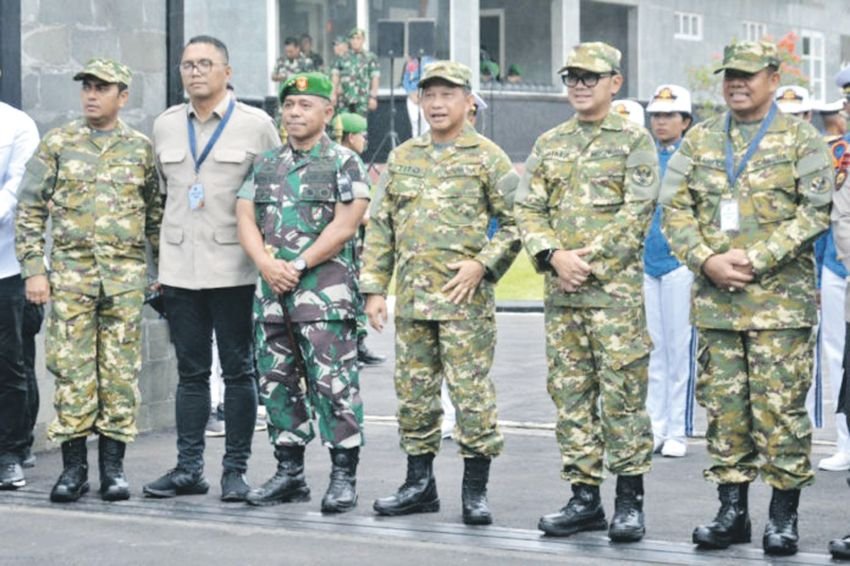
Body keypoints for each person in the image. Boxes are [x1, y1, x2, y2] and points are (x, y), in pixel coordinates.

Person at [661, 40, 833, 556]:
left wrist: (758, 258)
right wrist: (706, 259)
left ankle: (783, 517)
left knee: (780, 414)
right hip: (717, 305)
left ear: (773, 77)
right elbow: (674, 210)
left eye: (748, 75)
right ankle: (731, 512)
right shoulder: (702, 140)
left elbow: (816, 211)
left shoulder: (803, 140)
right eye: (729, 75)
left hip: (780, 306)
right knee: (725, 411)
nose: (736, 83)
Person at [362, 61, 521, 526]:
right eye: (428, 94)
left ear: (468, 101)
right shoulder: (404, 157)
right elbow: (382, 227)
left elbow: (517, 224)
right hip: (412, 301)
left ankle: (475, 490)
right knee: (413, 396)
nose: (435, 103)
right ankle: (419, 485)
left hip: (462, 302)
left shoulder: (487, 156)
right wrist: (374, 289)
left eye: (446, 95)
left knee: (471, 397)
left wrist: (482, 264)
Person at [515, 42, 659, 543]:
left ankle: (629, 501)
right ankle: (583, 499)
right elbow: (527, 208)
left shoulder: (634, 142)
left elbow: (636, 213)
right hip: (563, 296)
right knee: (571, 397)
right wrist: (553, 255)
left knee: (622, 400)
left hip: (613, 299)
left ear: (615, 83)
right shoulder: (550, 142)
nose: (579, 85)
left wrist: (584, 261)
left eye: (590, 77)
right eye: (572, 76)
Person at [16, 58, 162, 502]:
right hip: (71, 282)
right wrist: (35, 270)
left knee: (119, 376)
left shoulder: (139, 149)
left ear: (124, 96)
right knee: (73, 374)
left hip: (124, 283)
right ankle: (73, 470)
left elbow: (154, 215)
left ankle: (113, 470)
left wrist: (160, 274)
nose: (92, 95)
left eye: (102, 88)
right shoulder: (59, 144)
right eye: (87, 88)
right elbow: (29, 210)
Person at [143, 35, 280, 502]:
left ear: (228, 71)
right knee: (192, 373)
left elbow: (273, 198)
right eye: (187, 65)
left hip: (235, 270)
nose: (195, 72)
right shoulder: (164, 126)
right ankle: (188, 469)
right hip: (181, 269)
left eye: (205, 63)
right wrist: (157, 266)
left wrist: (267, 262)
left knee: (240, 371)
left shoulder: (256, 126)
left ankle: (235, 471)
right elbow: (163, 196)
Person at [237, 72, 369, 513]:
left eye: (305, 105)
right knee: (277, 384)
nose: (294, 112)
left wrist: (295, 265)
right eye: (289, 104)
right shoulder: (265, 163)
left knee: (333, 387)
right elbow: (245, 218)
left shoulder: (344, 162)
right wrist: (265, 265)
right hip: (272, 296)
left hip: (325, 298)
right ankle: (289, 472)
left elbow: (346, 225)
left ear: (327, 112)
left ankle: (343, 476)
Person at [643, 84, 696, 459]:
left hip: (680, 263)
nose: (660, 122)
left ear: (686, 121)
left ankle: (678, 428)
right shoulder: (644, 158)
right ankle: (656, 425)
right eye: (656, 116)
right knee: (655, 349)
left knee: (680, 350)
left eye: (668, 115)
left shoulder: (694, 160)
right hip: (647, 262)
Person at [0, 84, 41, 489]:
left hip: (6, 267)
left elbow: (17, 190)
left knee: (10, 365)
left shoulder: (16, 125)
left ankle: (11, 452)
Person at [330, 112, 386, 368]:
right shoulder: (349, 162)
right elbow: (356, 210)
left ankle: (356, 345)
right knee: (350, 294)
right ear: (351, 137)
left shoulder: (334, 158)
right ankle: (352, 347)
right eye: (362, 135)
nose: (365, 140)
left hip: (346, 239)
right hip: (351, 240)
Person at [331, 28, 379, 118]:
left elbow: (375, 78)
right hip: (344, 100)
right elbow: (335, 76)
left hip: (361, 100)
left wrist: (373, 97)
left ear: (363, 40)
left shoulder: (370, 57)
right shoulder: (343, 57)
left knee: (359, 128)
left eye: (358, 38)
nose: (355, 41)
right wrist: (333, 93)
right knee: (344, 127)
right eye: (353, 39)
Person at [402, 54, 434, 137]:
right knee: (415, 123)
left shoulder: (431, 62)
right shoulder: (411, 63)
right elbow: (405, 80)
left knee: (427, 124)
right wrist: (411, 94)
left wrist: (424, 94)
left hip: (426, 96)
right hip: (412, 97)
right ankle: (416, 145)